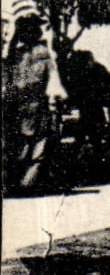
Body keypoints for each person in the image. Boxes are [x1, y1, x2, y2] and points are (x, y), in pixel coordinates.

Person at [3, 15, 58, 191]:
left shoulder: (16, 54)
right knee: (36, 145)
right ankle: (27, 182)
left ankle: (19, 181)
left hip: (19, 104)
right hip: (34, 103)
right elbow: (52, 79)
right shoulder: (42, 52)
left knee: (21, 144)